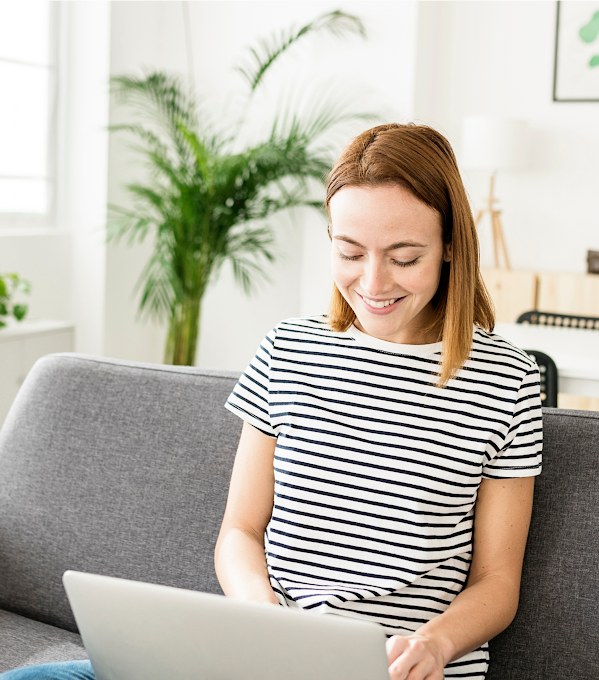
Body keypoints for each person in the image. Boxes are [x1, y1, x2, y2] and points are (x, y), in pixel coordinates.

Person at [0, 123, 542, 680]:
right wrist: (258, 618)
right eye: (350, 252)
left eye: (404, 257)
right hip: (260, 659)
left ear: (451, 244)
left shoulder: (508, 380)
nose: (373, 282)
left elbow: (496, 584)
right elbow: (240, 531)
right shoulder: (288, 348)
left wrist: (434, 644)